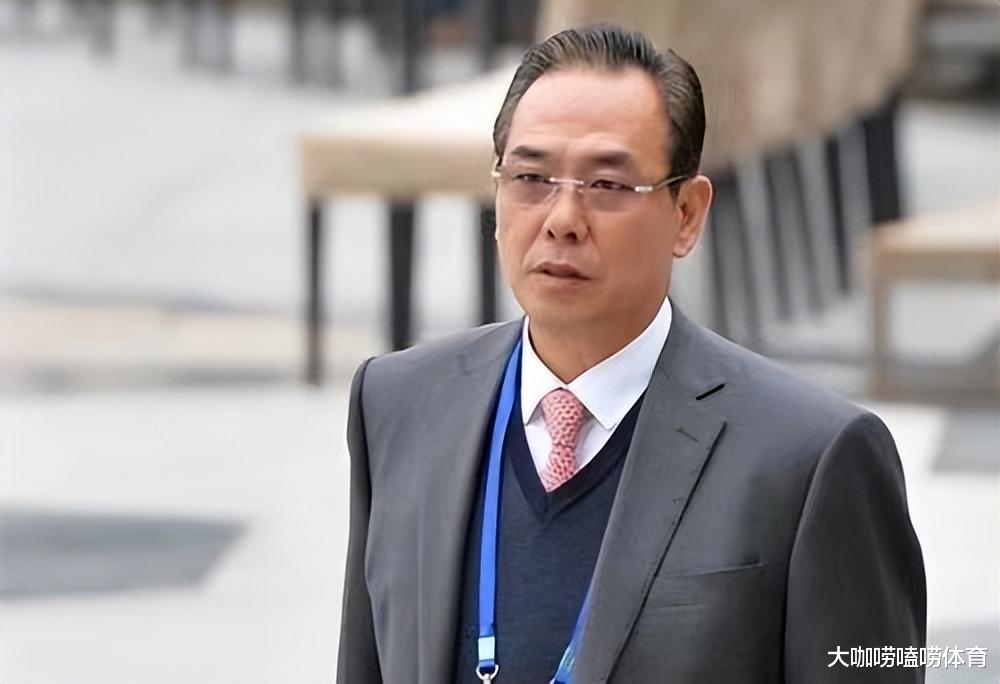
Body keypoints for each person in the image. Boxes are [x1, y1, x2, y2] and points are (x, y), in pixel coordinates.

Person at [337, 25, 926, 684]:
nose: (562, 218)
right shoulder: (397, 405)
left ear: (687, 214)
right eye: (531, 177)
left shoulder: (811, 457)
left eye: (608, 185)